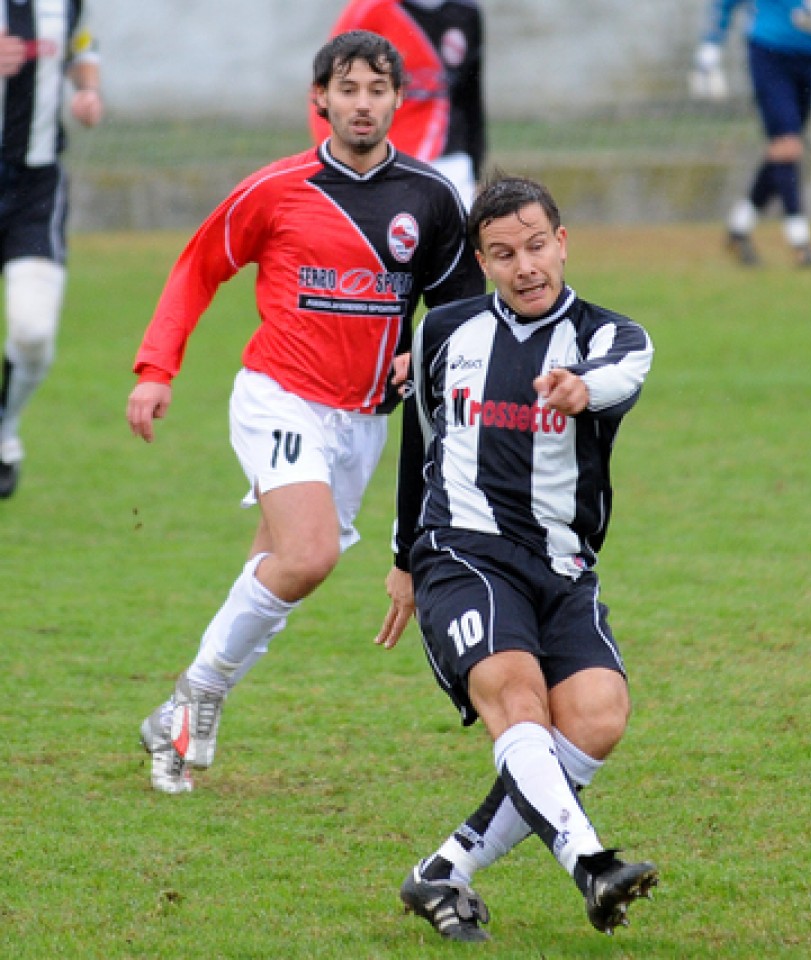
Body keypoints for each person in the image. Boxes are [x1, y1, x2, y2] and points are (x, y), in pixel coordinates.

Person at [127, 30, 487, 795]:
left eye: (377, 90)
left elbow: (459, 318)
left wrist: (420, 349)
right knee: (311, 554)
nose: (362, 104)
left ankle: (174, 714)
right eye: (347, 89)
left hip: (362, 424)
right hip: (278, 395)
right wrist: (157, 369)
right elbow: (198, 267)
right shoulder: (276, 189)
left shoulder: (429, 199)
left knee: (275, 573)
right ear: (319, 98)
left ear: (399, 99)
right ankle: (200, 702)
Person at [375, 174, 658, 942]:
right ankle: (592, 863)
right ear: (481, 260)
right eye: (503, 254)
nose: (525, 266)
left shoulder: (609, 336)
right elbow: (420, 443)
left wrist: (578, 390)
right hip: (461, 554)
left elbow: (622, 374)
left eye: (537, 246)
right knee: (517, 701)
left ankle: (444, 870)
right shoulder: (443, 332)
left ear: (562, 243)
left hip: (562, 567)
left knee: (596, 720)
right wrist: (405, 558)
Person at [0, 1, 102, 498]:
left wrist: (86, 90)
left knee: (34, 329)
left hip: (34, 189)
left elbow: (82, 43)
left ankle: (4, 431)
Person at [691, 0, 811, 268]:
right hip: (769, 52)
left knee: (784, 150)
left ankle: (738, 231)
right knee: (788, 145)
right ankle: (800, 242)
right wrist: (710, 47)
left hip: (810, 56)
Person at [312, 0, 485, 206]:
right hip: (384, 160)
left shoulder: (466, 10)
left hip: (449, 159)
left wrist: (475, 165)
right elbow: (332, 89)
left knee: (458, 232)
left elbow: (469, 97)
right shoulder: (369, 9)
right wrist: (340, 161)